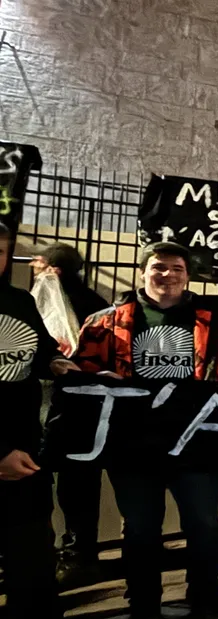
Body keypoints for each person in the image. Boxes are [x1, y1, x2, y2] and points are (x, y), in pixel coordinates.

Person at [73, 241, 218, 618]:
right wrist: (97, 376)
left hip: (195, 444)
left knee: (204, 526)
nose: (167, 275)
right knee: (140, 529)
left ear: (187, 276)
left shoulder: (217, 323)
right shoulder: (105, 322)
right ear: (142, 272)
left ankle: (205, 596)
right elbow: (80, 371)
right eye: (158, 267)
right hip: (132, 445)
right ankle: (143, 602)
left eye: (177, 268)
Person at [0, 223, 81, 619]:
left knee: (32, 564)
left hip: (26, 453)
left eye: (0, 252)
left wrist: (55, 361)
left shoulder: (19, 301)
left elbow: (42, 347)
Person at [28, 243, 113, 587]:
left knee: (39, 486)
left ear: (54, 270)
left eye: (39, 266)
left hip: (49, 405)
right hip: (86, 410)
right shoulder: (99, 305)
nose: (34, 271)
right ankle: (79, 555)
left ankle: (42, 557)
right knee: (78, 487)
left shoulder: (41, 302)